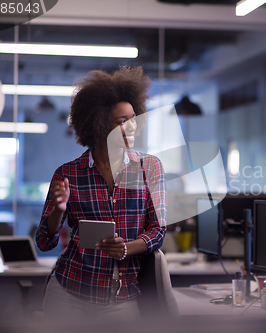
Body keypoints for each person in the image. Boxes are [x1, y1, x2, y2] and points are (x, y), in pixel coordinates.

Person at [36, 66, 166, 324]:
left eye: (133, 119)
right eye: (121, 121)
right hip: (69, 291)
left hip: (122, 295)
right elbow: (44, 241)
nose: (131, 128)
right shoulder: (68, 173)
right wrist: (58, 212)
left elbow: (157, 231)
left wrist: (126, 248)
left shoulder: (149, 167)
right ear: (97, 123)